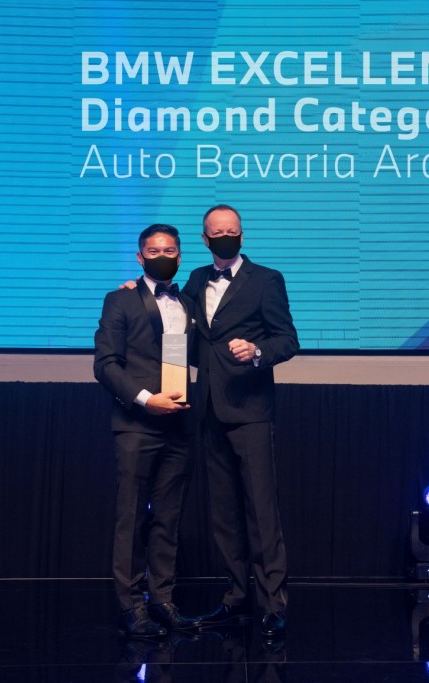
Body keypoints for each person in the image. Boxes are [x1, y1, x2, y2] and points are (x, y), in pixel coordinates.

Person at [184, 204, 299, 639]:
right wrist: (132, 290)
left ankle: (273, 603)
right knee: (224, 513)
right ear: (205, 238)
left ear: (242, 236)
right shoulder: (195, 279)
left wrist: (257, 352)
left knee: (260, 509)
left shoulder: (266, 280)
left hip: (251, 410)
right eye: (217, 232)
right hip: (208, 409)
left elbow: (287, 340)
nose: (225, 236)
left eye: (232, 230)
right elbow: (172, 322)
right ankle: (236, 597)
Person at [94, 223, 196, 638]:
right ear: (140, 258)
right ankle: (131, 606)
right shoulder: (119, 300)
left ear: (180, 254)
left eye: (169, 249)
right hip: (136, 424)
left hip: (180, 423)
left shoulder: (187, 302)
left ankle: (163, 602)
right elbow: (105, 365)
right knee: (131, 518)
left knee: (168, 519)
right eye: (153, 251)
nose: (161, 256)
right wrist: (144, 398)